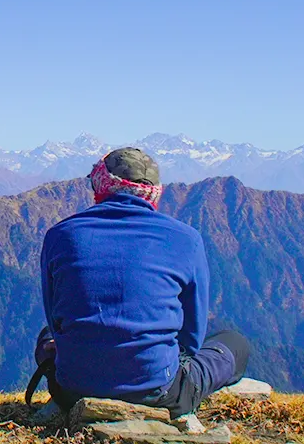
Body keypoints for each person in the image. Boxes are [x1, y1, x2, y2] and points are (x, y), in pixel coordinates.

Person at [31, 147, 250, 422]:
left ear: (100, 184)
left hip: (72, 390)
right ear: (155, 192)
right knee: (235, 343)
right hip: (159, 392)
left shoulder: (59, 236)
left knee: (45, 337)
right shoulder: (187, 239)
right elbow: (192, 337)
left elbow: (56, 320)